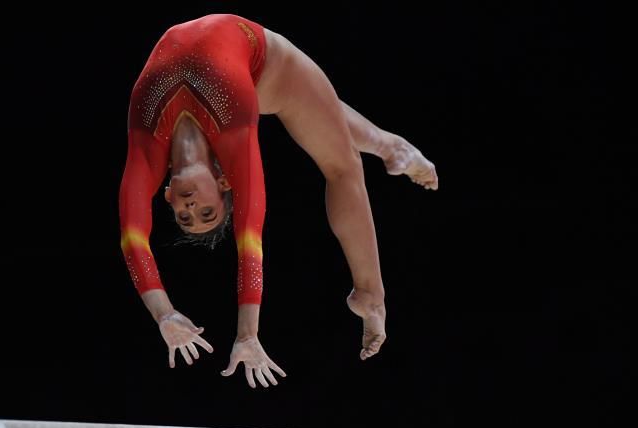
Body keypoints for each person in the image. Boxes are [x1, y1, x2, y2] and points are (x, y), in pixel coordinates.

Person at [118, 13, 438, 389]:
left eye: (186, 216)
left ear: (167, 195)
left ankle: (388, 148)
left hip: (256, 69)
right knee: (342, 164)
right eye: (207, 212)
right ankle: (372, 294)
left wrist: (166, 317)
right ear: (225, 182)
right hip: (268, 67)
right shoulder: (233, 126)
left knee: (336, 144)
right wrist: (210, 325)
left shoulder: (148, 144)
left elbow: (132, 235)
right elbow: (249, 237)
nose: (190, 208)